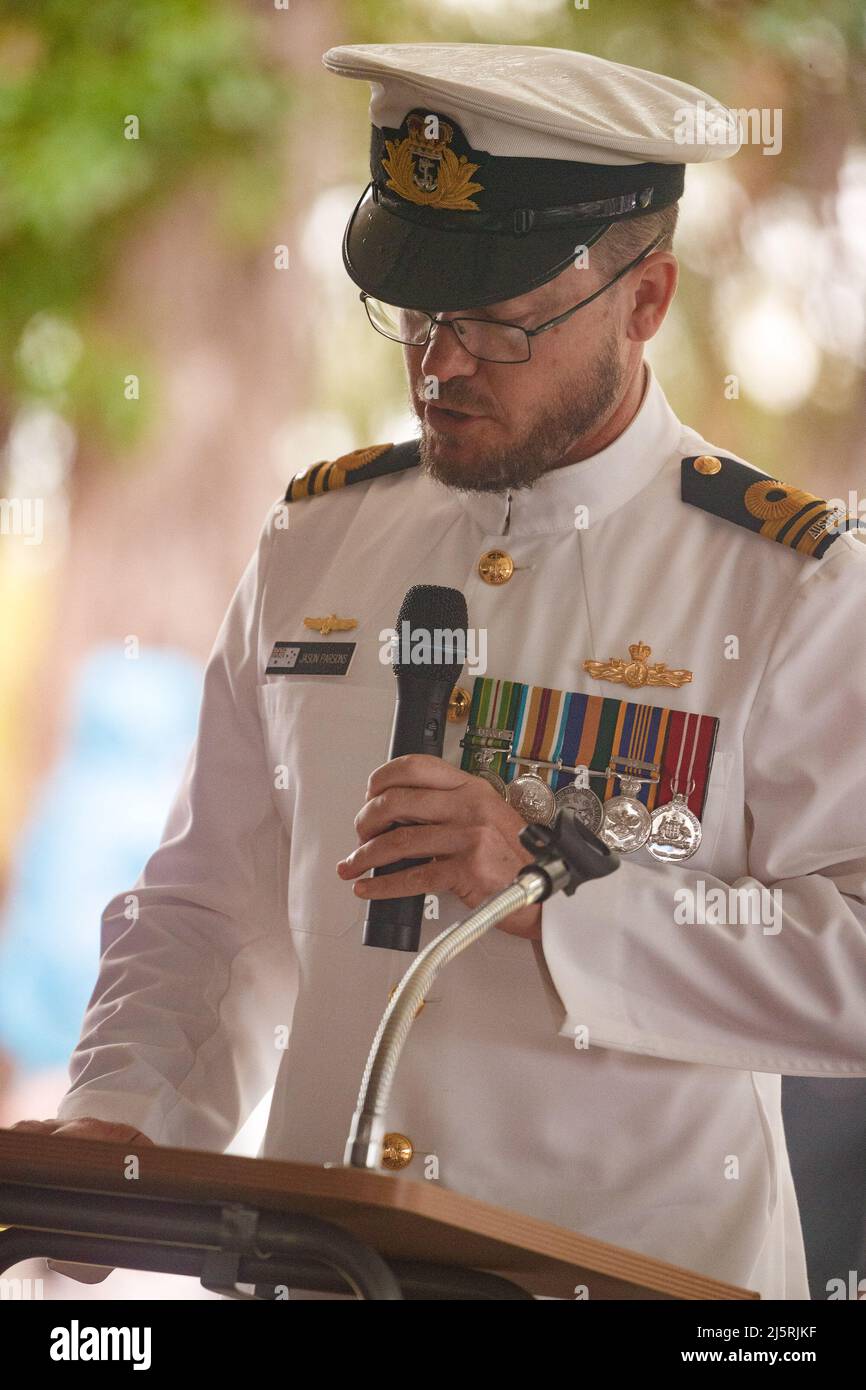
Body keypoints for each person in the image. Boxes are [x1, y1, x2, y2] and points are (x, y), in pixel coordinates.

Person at [15, 42, 866, 1300]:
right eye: (415, 312)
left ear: (644, 301)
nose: (437, 365)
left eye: (492, 324)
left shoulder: (788, 583)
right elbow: (205, 908)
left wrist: (552, 889)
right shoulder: (318, 538)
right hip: (316, 1271)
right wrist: (120, 1126)